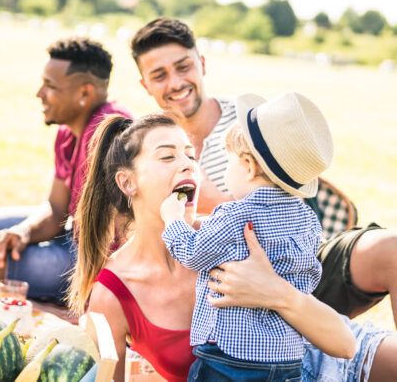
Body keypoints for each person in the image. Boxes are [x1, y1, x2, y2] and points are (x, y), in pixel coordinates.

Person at [67, 113, 397, 382]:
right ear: (128, 182)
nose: (187, 165)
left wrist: (276, 293)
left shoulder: (231, 234)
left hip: (341, 363)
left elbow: (344, 343)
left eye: (190, 155)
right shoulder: (112, 295)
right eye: (168, 156)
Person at [131, 17, 397, 330]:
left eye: (183, 67)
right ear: (145, 85)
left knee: (389, 248)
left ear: (202, 63)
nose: (175, 83)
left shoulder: (251, 125)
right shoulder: (148, 142)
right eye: (159, 75)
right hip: (206, 283)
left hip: (291, 271)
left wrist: (201, 202)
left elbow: (294, 212)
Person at [160, 93, 332, 380]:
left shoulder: (235, 215)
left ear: (249, 166)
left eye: (228, 161)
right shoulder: (307, 219)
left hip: (230, 359)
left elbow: (192, 253)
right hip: (287, 357)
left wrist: (173, 220)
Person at [0, 37, 132, 302]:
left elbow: (114, 240)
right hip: (72, 233)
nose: (39, 93)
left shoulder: (110, 132)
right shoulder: (67, 131)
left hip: (94, 257)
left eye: (50, 85)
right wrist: (23, 232)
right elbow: (56, 207)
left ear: (85, 93)